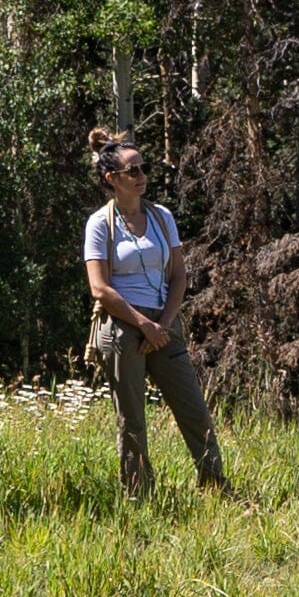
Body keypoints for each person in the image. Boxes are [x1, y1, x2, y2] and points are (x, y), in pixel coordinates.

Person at [83, 129, 226, 500]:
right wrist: (143, 325)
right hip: (122, 327)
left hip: (164, 324)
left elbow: (179, 276)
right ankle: (138, 495)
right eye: (132, 171)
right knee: (132, 419)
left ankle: (215, 484)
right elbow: (100, 288)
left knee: (193, 409)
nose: (142, 176)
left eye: (143, 168)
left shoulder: (162, 217)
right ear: (111, 178)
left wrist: (161, 325)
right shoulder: (100, 223)